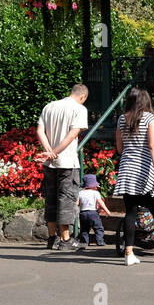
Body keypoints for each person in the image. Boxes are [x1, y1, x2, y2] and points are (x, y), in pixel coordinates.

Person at [114, 87, 154, 267]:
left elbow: (119, 148)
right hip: (146, 170)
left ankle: (129, 253)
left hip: (127, 169)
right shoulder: (150, 118)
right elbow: (153, 146)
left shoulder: (121, 119)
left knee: (130, 212)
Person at [37, 84, 89, 251]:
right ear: (83, 97)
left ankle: (52, 238)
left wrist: (49, 152)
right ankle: (66, 240)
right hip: (67, 162)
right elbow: (73, 134)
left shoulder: (50, 106)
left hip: (49, 163)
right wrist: (56, 152)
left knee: (50, 198)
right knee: (66, 199)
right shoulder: (79, 109)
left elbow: (40, 130)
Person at [77, 173, 112, 248]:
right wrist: (107, 211)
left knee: (84, 229)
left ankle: (84, 243)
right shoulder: (96, 193)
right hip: (93, 213)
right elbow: (101, 203)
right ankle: (100, 241)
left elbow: (77, 203)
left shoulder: (80, 193)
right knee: (98, 228)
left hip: (83, 213)